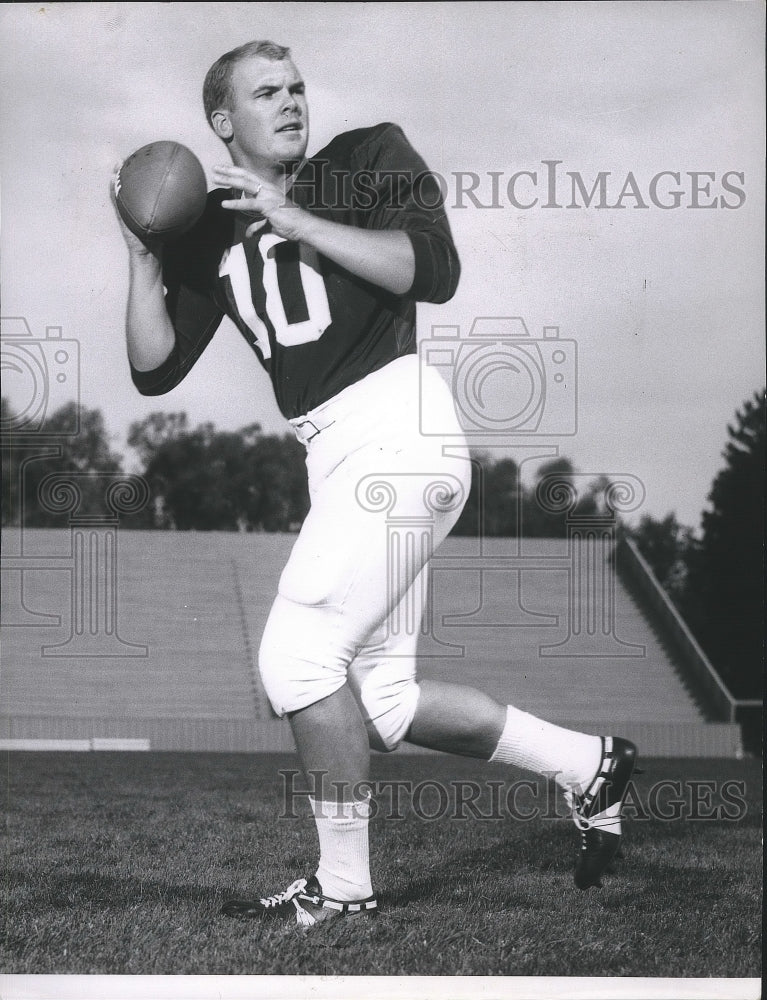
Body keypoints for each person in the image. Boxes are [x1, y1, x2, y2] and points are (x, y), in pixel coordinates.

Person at [113, 39, 638, 925]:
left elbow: (434, 271)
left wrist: (295, 216)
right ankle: (587, 765)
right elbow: (153, 371)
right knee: (385, 702)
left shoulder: (364, 158)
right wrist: (140, 256)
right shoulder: (212, 226)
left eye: (296, 87)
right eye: (264, 93)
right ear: (220, 123)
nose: (289, 103)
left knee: (296, 658)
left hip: (397, 427)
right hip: (335, 455)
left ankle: (344, 889)